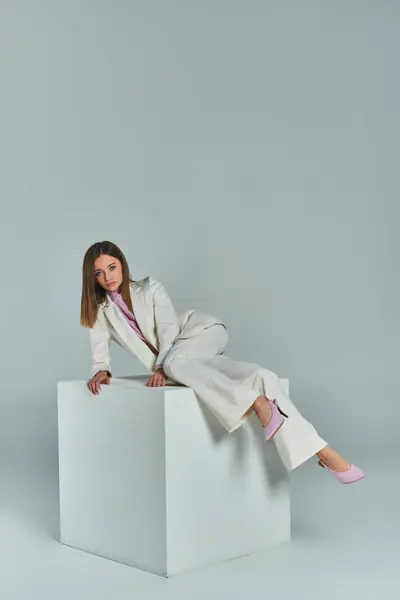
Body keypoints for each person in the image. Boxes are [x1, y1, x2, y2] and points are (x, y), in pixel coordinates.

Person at [80, 240, 365, 484]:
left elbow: (168, 328)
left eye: (112, 267)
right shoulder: (101, 311)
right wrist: (101, 370)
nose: (108, 276)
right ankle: (324, 453)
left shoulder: (149, 287)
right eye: (99, 273)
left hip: (200, 332)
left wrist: (160, 367)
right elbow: (99, 346)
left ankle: (256, 404)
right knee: (261, 376)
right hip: (187, 360)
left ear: (123, 264)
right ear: (92, 278)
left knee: (174, 365)